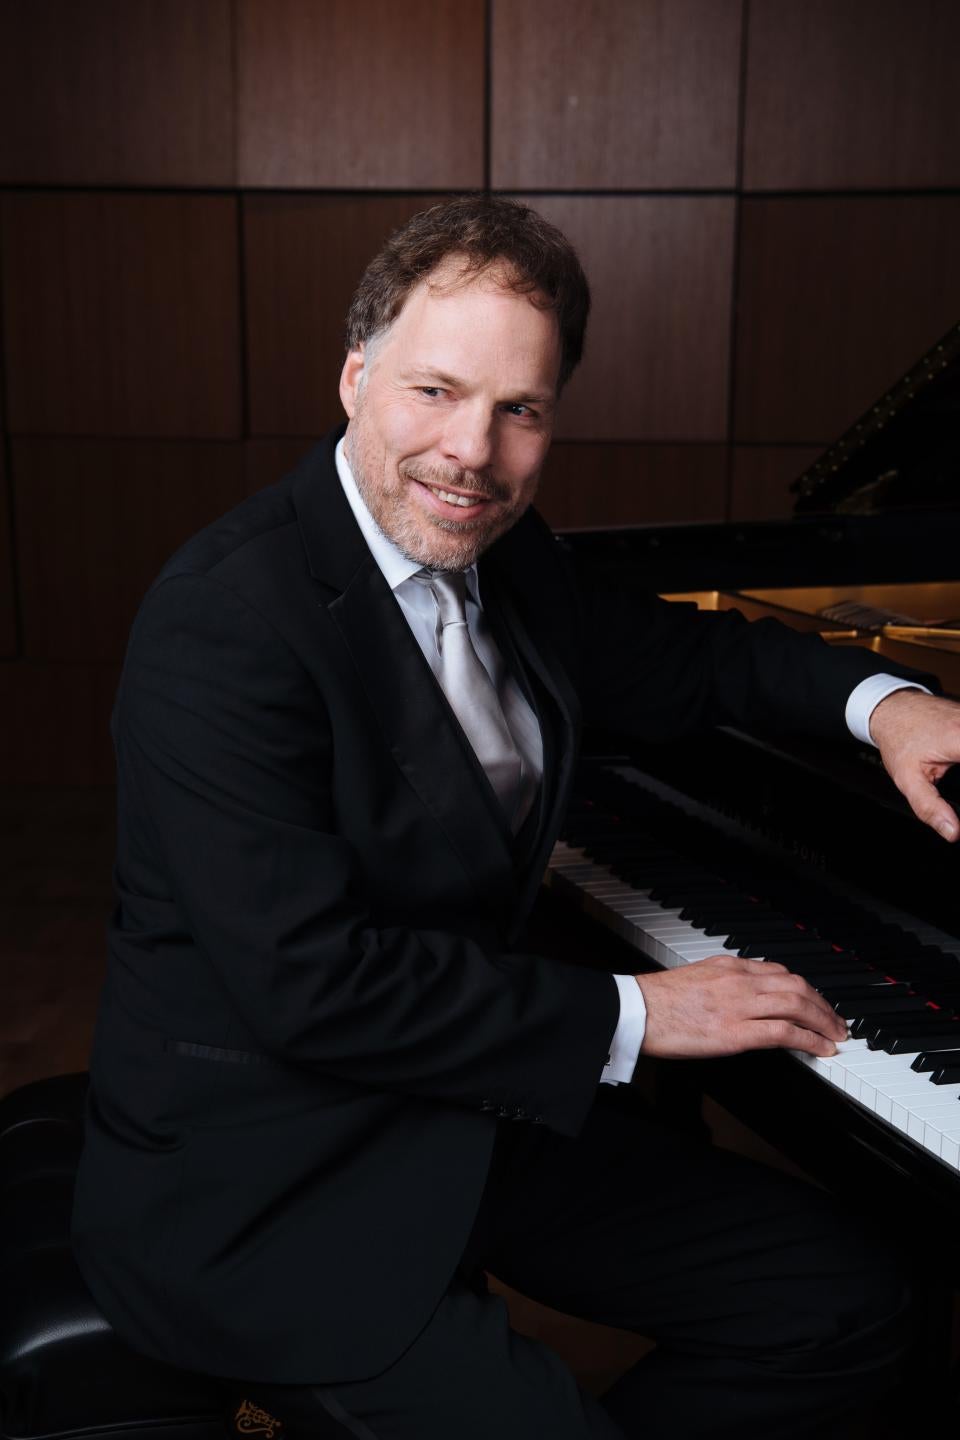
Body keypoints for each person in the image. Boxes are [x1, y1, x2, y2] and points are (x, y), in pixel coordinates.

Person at [72, 196, 960, 1439]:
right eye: (435, 392)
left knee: (854, 1302)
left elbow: (690, 661)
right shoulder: (225, 622)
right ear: (354, 376)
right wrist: (642, 1010)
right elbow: (312, 987)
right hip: (273, 1176)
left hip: (465, 1107)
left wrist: (892, 702)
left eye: (518, 411)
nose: (470, 454)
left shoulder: (507, 554)